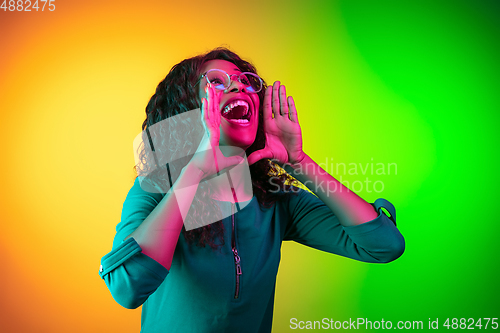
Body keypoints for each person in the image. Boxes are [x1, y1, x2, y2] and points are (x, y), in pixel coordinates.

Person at [99, 48, 405, 333]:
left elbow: (384, 245)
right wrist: (196, 169)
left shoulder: (275, 200)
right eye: (216, 82)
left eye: (245, 81)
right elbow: (127, 289)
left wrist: (298, 162)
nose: (239, 87)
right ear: (189, 110)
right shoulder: (155, 190)